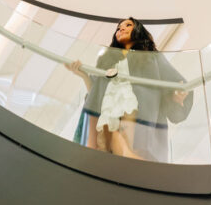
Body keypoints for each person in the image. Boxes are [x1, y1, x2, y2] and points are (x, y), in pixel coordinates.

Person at [67, 17, 192, 161]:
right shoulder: (108, 60)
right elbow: (95, 94)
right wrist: (84, 76)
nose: (121, 28)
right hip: (109, 109)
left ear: (138, 30)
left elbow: (174, 83)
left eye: (128, 25)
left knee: (125, 144)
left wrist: (176, 95)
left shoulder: (152, 58)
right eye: (118, 28)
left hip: (134, 111)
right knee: (105, 144)